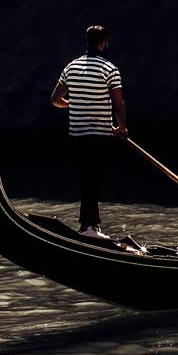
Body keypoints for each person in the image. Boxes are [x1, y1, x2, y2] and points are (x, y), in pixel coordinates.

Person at [50, 24, 127, 239]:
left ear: (87, 42)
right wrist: (121, 127)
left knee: (88, 178)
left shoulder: (70, 67)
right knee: (93, 179)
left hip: (77, 135)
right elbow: (119, 104)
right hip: (100, 136)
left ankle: (90, 227)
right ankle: (89, 228)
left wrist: (73, 104)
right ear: (103, 42)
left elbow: (55, 100)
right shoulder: (109, 69)